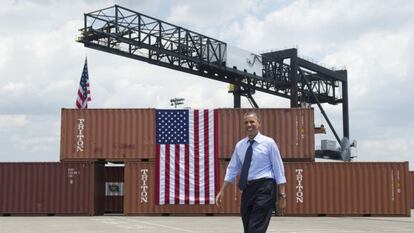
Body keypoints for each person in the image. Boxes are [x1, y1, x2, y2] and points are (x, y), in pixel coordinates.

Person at [215, 111, 286, 233]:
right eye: (246, 122)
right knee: (248, 227)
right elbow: (232, 169)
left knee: (255, 228)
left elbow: (279, 170)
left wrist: (282, 196)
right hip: (247, 189)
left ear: (259, 123)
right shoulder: (240, 145)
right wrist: (222, 191)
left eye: (252, 121)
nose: (249, 124)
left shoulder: (269, 143)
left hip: (265, 188)